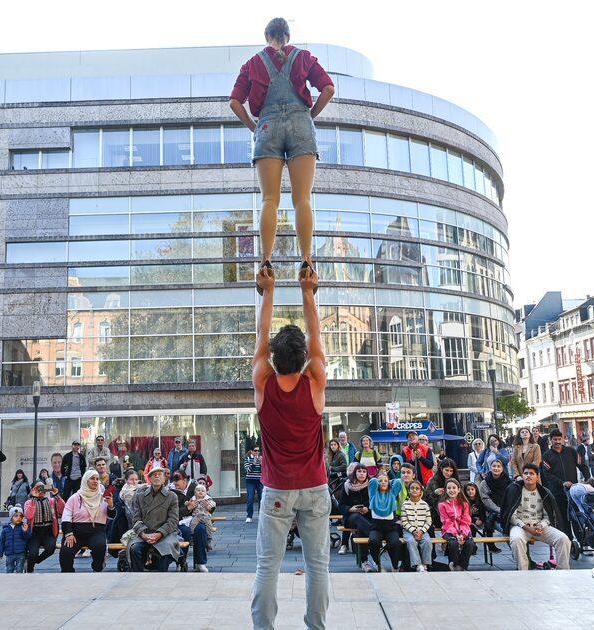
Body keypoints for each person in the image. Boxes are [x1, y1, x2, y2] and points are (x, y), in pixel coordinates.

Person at [229, 17, 335, 294]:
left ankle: (265, 261)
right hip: (301, 124)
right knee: (302, 199)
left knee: (269, 199)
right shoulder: (303, 58)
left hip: (267, 126)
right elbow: (328, 88)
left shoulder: (252, 63)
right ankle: (307, 261)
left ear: (267, 36)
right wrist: (309, 117)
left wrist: (254, 127)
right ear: (287, 36)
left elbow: (234, 102)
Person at [251, 264, 329, 630]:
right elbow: (317, 342)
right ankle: (317, 626)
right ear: (303, 359)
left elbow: (261, 333)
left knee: (268, 565)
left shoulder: (263, 383)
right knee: (318, 566)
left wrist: (269, 290)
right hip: (314, 487)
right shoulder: (314, 384)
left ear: (273, 358)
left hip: (277, 489)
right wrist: (308, 291)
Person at [501, 463, 571, 571]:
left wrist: (540, 526)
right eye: (526, 473)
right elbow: (511, 516)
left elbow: (549, 516)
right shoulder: (514, 489)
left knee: (563, 539)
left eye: (531, 473)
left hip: (540, 527)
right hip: (520, 526)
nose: (528, 476)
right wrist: (527, 528)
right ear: (522, 476)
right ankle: (523, 571)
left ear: (537, 476)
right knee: (516, 540)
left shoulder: (544, 492)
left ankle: (563, 571)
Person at [59, 470, 115, 573]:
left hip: (96, 531)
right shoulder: (75, 498)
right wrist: (68, 533)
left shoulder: (103, 497)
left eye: (97, 479)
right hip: (76, 532)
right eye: (92, 478)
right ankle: (67, 573)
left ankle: (97, 569)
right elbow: (66, 517)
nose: (95, 481)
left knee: (100, 547)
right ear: (85, 480)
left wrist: (111, 505)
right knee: (66, 551)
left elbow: (111, 516)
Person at [130, 467, 180, 572]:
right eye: (153, 475)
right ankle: (136, 578)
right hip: (145, 533)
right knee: (134, 549)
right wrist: (143, 534)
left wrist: (159, 534)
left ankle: (160, 578)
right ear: (149, 479)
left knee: (165, 550)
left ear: (164, 479)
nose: (157, 476)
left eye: (159, 474)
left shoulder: (172, 497)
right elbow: (135, 519)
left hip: (165, 534)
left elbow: (173, 520)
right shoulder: (140, 496)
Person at [541, 428, 580, 539]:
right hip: (557, 491)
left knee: (576, 515)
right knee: (562, 516)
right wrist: (562, 483)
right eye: (555, 439)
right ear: (551, 440)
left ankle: (581, 539)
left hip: (574, 490)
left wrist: (587, 480)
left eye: (559, 439)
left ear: (562, 439)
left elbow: (582, 465)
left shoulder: (571, 451)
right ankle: (568, 539)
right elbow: (547, 474)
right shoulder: (546, 456)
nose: (557, 442)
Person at [364, 472, 402, 573]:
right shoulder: (373, 493)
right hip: (376, 526)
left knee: (395, 543)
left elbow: (398, 482)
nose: (383, 483)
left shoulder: (392, 492)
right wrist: (379, 479)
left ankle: (394, 565)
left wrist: (388, 481)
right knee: (373, 541)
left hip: (390, 527)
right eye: (380, 481)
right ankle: (377, 563)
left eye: (385, 481)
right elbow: (372, 481)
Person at [23, 480, 64, 572]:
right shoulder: (29, 502)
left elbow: (63, 511)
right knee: (33, 553)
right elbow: (28, 515)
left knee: (51, 548)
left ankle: (36, 561)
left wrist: (56, 495)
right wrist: (34, 498)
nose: (40, 491)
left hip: (48, 531)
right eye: (38, 488)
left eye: (43, 488)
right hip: (34, 532)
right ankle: (30, 568)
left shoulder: (51, 501)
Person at [438, 478, 476, 571]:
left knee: (470, 543)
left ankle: (462, 566)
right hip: (449, 530)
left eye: (454, 488)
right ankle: (454, 564)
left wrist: (462, 534)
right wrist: (456, 534)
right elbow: (446, 521)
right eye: (449, 488)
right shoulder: (442, 504)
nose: (452, 490)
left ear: (459, 490)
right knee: (453, 543)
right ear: (446, 490)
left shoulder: (464, 504)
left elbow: (466, 520)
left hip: (464, 530)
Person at [399, 481, 433, 572]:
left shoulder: (424, 504)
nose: (414, 490)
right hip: (409, 531)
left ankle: (425, 564)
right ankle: (417, 564)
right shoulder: (405, 505)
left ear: (421, 492)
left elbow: (429, 521)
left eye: (417, 488)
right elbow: (404, 521)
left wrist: (422, 531)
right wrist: (413, 531)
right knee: (410, 541)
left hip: (423, 530)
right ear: (409, 491)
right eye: (412, 488)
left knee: (427, 541)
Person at [337, 464, 371, 555]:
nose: (362, 474)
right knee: (357, 517)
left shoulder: (371, 485)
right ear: (354, 473)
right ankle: (374, 537)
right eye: (359, 471)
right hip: (350, 517)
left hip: (366, 516)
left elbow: (374, 503)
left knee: (363, 521)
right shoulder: (347, 485)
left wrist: (367, 509)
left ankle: (363, 553)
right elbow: (341, 505)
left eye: (364, 472)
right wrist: (350, 509)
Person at [478, 459, 511, 553]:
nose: (496, 468)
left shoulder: (508, 482)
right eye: (494, 466)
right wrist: (499, 510)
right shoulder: (484, 483)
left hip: (506, 514)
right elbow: (486, 500)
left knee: (513, 532)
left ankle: (520, 557)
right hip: (492, 514)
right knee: (506, 531)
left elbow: (511, 498)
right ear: (490, 467)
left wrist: (506, 511)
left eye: (498, 466)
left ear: (502, 468)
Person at [424, 457, 458, 529]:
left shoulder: (456, 481)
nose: (448, 473)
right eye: (446, 470)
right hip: (437, 514)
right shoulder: (433, 481)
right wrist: (434, 493)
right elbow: (426, 500)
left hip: (455, 512)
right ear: (441, 469)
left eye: (451, 471)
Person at [0, 506, 30, 573]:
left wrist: (25, 531)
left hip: (20, 553)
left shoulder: (23, 527)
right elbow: (1, 542)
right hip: (9, 554)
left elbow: (27, 538)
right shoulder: (5, 529)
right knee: (9, 569)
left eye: (21, 516)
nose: (18, 518)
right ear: (11, 517)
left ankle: (18, 581)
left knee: (19, 569)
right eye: (16, 516)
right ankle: (10, 581)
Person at [189, 483, 217, 559]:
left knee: (209, 527)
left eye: (202, 491)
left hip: (206, 516)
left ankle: (208, 541)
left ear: (205, 493)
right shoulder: (193, 499)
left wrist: (210, 506)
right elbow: (189, 506)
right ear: (195, 492)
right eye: (198, 491)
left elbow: (213, 504)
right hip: (197, 516)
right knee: (192, 525)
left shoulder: (208, 499)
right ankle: (191, 538)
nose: (200, 492)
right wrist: (189, 505)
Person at [244, 446, 263, 523]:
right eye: (255, 450)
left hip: (260, 481)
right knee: (250, 498)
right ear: (251, 451)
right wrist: (253, 463)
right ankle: (249, 516)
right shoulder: (248, 459)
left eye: (258, 450)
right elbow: (247, 470)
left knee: (261, 498)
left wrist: (262, 464)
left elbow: (264, 471)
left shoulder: (261, 459)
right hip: (250, 481)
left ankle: (261, 515)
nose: (257, 452)